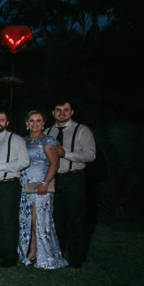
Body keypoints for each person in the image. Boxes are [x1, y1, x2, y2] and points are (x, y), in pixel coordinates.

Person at [48, 100, 97, 268]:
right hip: (55, 180)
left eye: (66, 110)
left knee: (75, 219)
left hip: (74, 178)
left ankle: (76, 259)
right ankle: (58, 254)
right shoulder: (49, 131)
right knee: (56, 219)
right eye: (58, 110)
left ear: (72, 112)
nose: (62, 113)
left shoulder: (82, 130)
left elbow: (90, 155)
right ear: (53, 112)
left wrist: (66, 153)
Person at [19, 110, 67, 269]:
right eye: (31, 121)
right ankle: (32, 252)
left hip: (40, 186)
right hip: (25, 186)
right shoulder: (23, 141)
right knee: (28, 220)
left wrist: (45, 183)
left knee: (39, 220)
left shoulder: (48, 141)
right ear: (27, 123)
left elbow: (55, 164)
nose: (34, 124)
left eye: (38, 120)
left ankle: (47, 257)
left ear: (43, 123)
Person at [0, 111, 29, 268]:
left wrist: (2, 166)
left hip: (9, 184)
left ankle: (11, 256)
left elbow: (25, 161)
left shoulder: (15, 140)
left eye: (1, 120)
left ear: (7, 123)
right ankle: (0, 253)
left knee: (9, 221)